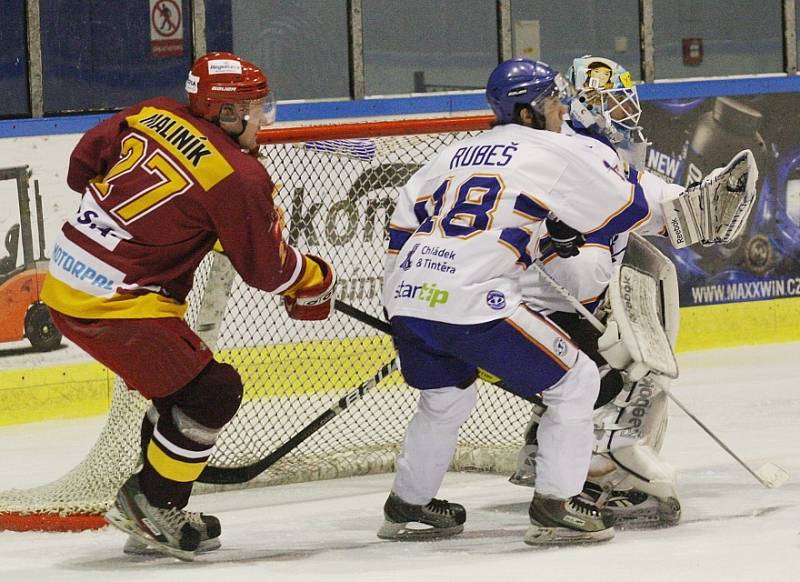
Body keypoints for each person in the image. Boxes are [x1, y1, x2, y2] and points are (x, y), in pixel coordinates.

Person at [378, 57, 756, 546]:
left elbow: (402, 232)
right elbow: (632, 207)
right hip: (474, 302)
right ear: (529, 112)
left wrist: (408, 297)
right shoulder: (555, 151)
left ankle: (407, 505)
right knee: (577, 381)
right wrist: (694, 211)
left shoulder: (450, 154)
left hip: (408, 296)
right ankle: (555, 506)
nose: (561, 110)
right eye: (553, 102)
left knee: (445, 399)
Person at [40, 52, 336, 561]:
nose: (264, 118)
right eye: (254, 107)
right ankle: (155, 503)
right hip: (114, 303)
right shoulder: (240, 177)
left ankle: (154, 506)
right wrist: (315, 278)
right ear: (224, 113)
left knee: (176, 391)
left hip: (69, 277)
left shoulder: (149, 112)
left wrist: (172, 219)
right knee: (212, 393)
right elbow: (267, 271)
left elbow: (80, 168)